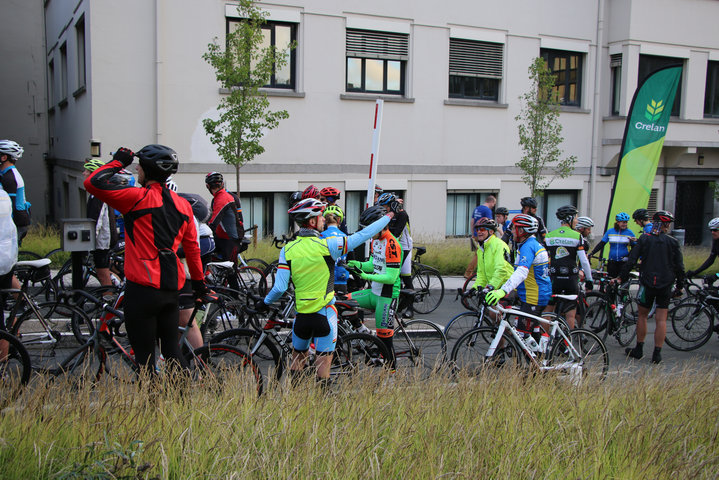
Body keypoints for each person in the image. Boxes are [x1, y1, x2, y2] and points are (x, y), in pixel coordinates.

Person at [85, 145, 206, 374]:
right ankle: (181, 401)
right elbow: (192, 250)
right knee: (171, 350)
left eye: (139, 167)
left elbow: (92, 183)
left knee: (145, 358)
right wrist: (199, 285)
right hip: (171, 288)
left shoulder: (135, 198)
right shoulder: (183, 205)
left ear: (146, 170)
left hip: (141, 289)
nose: (137, 170)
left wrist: (119, 162)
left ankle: (152, 405)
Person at [258, 200, 396, 387]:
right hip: (325, 314)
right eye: (320, 216)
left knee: (297, 366)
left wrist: (265, 303)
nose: (323, 219)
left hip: (301, 319)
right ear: (313, 222)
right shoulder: (329, 245)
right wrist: (388, 216)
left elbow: (280, 288)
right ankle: (321, 406)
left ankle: (295, 409)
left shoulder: (287, 250)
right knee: (323, 375)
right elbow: (364, 234)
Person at [615, 210, 684, 364]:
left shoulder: (644, 239)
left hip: (647, 282)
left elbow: (632, 259)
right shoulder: (673, 242)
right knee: (661, 319)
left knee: (642, 315)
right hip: (666, 283)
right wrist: (680, 286)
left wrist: (621, 277)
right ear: (665, 225)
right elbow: (680, 267)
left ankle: (639, 349)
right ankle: (657, 354)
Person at [346, 205, 403, 364]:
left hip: (387, 297)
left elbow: (391, 278)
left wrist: (366, 275)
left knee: (386, 342)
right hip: (374, 293)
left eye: (371, 229)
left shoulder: (392, 244)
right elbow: (373, 264)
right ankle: (361, 332)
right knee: (343, 301)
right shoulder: (376, 241)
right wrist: (356, 264)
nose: (369, 234)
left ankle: (391, 377)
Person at [486, 214, 552, 347]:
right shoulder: (526, 244)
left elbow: (521, 273)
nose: (512, 231)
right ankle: (539, 356)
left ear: (522, 231)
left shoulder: (528, 246)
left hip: (534, 297)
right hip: (528, 294)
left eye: (515, 228)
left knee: (521, 339)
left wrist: (503, 291)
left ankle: (540, 360)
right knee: (527, 335)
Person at [170, 177, 215, 350]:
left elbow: (192, 248)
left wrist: (198, 282)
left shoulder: (181, 211)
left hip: (202, 246)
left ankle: (199, 363)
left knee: (186, 316)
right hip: (180, 269)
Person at [543, 205, 593, 329]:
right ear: (569, 218)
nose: (576, 221)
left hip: (554, 278)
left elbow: (544, 259)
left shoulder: (549, 236)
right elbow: (584, 261)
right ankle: (567, 345)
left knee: (547, 312)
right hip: (571, 279)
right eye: (575, 218)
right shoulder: (577, 236)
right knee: (570, 315)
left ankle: (545, 342)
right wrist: (589, 280)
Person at [81, 159, 119, 289]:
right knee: (106, 271)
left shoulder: (98, 194)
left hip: (103, 241)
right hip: (103, 239)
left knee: (103, 274)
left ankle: (108, 300)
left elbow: (96, 221)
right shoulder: (96, 192)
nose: (83, 173)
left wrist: (89, 242)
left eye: (86, 171)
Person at [206, 172, 245, 264]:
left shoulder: (222, 198)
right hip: (224, 237)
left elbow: (213, 222)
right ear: (222, 184)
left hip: (231, 239)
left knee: (230, 271)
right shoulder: (220, 197)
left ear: (207, 186)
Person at [470, 218, 514, 293]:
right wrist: (474, 288)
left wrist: (491, 286)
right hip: (494, 287)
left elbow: (501, 270)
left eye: (482, 229)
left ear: (491, 231)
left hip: (507, 287)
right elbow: (481, 274)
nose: (479, 232)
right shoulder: (481, 248)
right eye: (477, 230)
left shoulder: (498, 245)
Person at [0, 140, 31, 245]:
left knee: (7, 257)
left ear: (4, 158)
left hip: (16, 222)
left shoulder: (9, 177)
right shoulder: (6, 173)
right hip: (17, 220)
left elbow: (9, 206)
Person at [589, 212, 636, 278]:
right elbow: (602, 244)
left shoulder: (629, 232)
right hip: (612, 261)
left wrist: (629, 256)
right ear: (618, 222)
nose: (625, 224)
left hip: (624, 262)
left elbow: (634, 247)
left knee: (622, 280)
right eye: (623, 222)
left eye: (626, 222)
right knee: (610, 280)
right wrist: (592, 253)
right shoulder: (610, 231)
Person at [320, 205, 349, 294]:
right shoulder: (345, 237)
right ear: (339, 220)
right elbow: (351, 258)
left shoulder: (320, 236)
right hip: (341, 278)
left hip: (325, 279)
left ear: (325, 220)